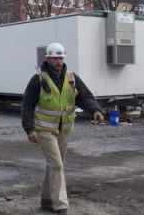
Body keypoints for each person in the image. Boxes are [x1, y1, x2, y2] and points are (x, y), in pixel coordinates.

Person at [22, 42, 104, 214]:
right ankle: (61, 205)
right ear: (48, 58)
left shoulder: (72, 78)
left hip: (65, 130)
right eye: (55, 58)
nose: (58, 61)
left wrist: (95, 109)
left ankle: (46, 199)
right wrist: (30, 129)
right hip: (44, 130)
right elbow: (27, 105)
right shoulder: (38, 79)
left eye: (60, 58)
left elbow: (85, 96)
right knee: (57, 165)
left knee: (53, 165)